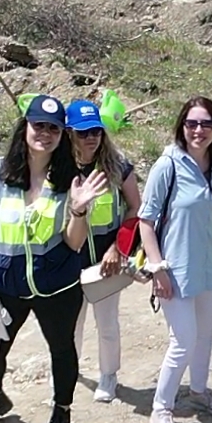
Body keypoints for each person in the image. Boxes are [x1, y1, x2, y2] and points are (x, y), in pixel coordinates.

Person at [0, 95, 108, 423]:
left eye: (53, 128)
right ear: (25, 127)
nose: (45, 133)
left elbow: (74, 244)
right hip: (7, 283)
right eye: (38, 125)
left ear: (62, 135)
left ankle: (61, 413)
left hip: (56, 284)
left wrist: (78, 210)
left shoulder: (69, 180)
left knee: (62, 350)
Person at [138, 97, 212, 423]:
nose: (198, 131)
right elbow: (146, 221)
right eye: (192, 124)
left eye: (206, 124)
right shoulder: (167, 166)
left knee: (204, 335)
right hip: (175, 270)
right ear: (182, 126)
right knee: (183, 340)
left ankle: (199, 392)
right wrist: (157, 269)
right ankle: (162, 407)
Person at [65, 98, 143, 403]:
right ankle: (67, 374)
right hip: (69, 261)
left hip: (105, 261)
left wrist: (118, 249)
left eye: (96, 130)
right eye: (83, 132)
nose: (91, 137)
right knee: (70, 325)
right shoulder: (58, 169)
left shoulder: (117, 165)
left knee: (107, 323)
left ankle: (109, 375)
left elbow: (136, 208)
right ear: (69, 133)